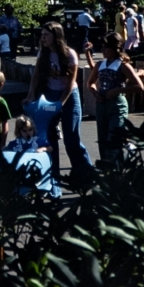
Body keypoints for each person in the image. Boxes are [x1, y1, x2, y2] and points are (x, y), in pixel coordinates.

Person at [25, 22, 93, 180]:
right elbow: (36, 76)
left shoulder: (70, 54)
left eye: (46, 35)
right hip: (50, 94)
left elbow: (70, 82)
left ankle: (85, 173)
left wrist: (60, 103)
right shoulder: (43, 53)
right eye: (42, 34)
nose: (42, 38)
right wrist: (30, 95)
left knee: (71, 139)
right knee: (49, 137)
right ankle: (52, 173)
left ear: (56, 36)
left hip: (69, 96)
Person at [83, 32, 144, 163]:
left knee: (114, 137)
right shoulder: (100, 64)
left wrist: (118, 90)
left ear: (115, 48)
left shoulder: (123, 65)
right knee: (103, 138)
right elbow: (90, 83)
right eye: (102, 47)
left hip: (117, 105)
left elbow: (139, 86)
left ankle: (117, 169)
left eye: (106, 47)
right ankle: (106, 168)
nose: (103, 50)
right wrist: (95, 94)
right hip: (101, 105)